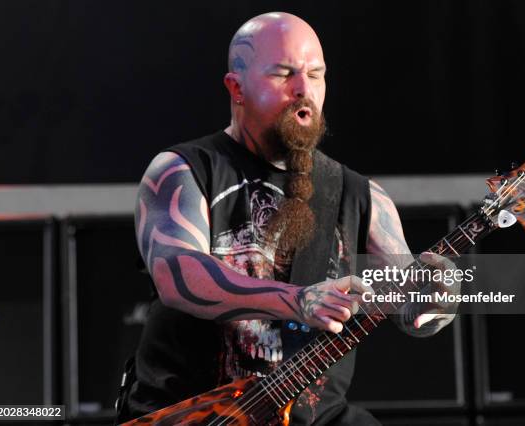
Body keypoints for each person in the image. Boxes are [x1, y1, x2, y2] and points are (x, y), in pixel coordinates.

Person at [117, 12, 456, 425]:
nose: (303, 90)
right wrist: (297, 301)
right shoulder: (182, 171)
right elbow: (178, 276)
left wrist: (439, 300)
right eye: (284, 74)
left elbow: (414, 310)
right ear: (236, 88)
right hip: (196, 415)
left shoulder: (359, 194)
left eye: (316, 75)